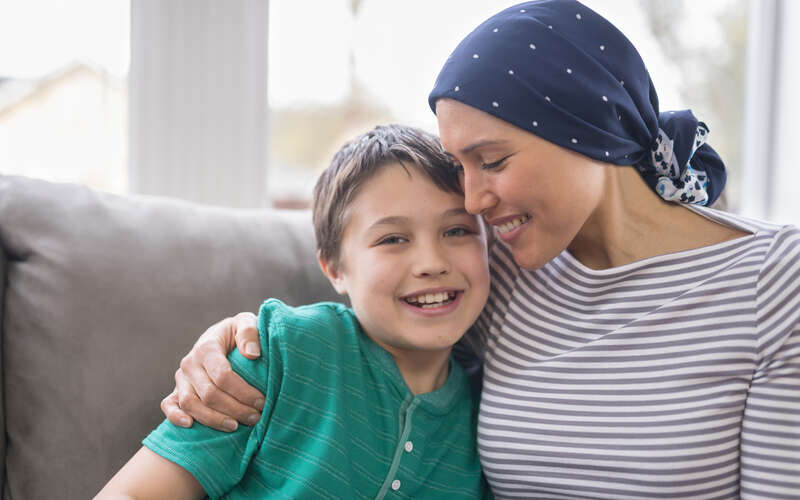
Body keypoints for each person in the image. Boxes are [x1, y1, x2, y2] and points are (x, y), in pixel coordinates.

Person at [161, 1, 800, 498]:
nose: (471, 202)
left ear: (591, 132)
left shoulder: (775, 281)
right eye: (460, 167)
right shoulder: (504, 266)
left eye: (490, 161)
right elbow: (375, 314)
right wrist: (237, 342)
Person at [96, 124, 493, 499]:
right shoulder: (278, 352)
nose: (431, 262)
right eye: (393, 238)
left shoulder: (491, 415)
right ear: (335, 268)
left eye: (457, 230)